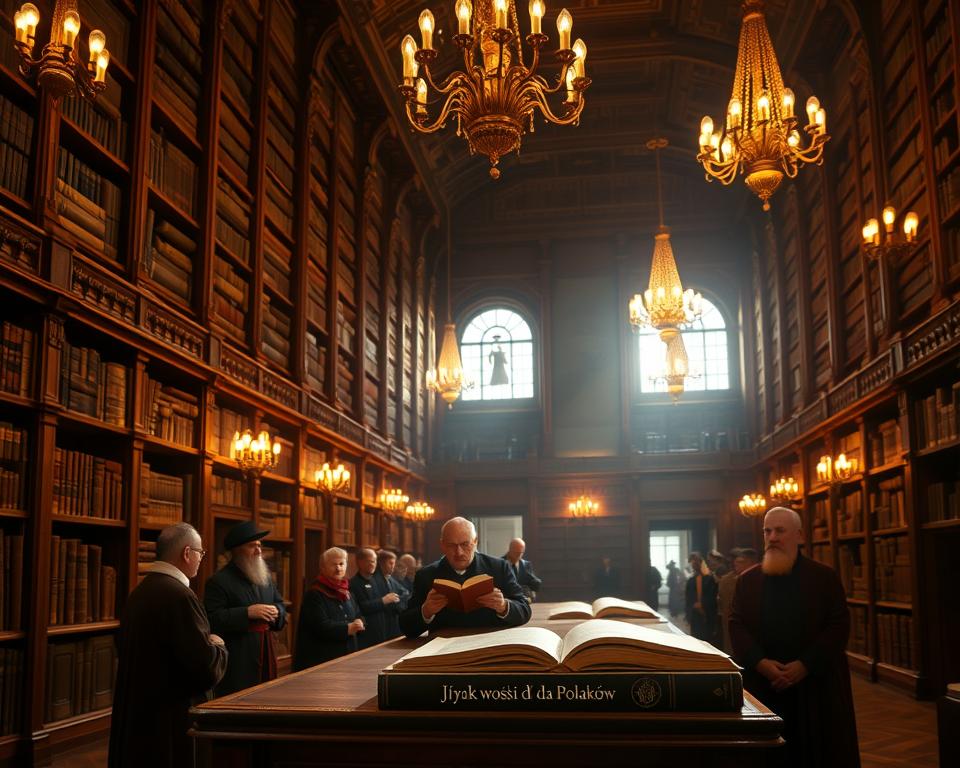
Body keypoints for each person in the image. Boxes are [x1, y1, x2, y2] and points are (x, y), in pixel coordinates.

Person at [730, 507, 860, 768]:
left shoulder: (824, 577)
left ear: (799, 536)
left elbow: (838, 626)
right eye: (767, 531)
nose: (772, 537)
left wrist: (805, 665)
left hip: (814, 687)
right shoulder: (747, 581)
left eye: (780, 531)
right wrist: (761, 663)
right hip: (764, 684)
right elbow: (736, 625)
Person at [109, 523, 227, 768]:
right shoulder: (181, 596)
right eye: (200, 553)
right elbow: (204, 668)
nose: (201, 558)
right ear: (187, 553)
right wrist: (218, 646)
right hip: (172, 720)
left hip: (143, 715)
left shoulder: (140, 592)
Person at [400, 517, 531, 637]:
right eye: (451, 545)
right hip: (444, 650)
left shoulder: (499, 568)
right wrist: (426, 611)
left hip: (490, 646)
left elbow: (525, 610)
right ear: (442, 545)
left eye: (465, 544)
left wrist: (503, 606)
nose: (459, 552)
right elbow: (405, 627)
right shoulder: (425, 575)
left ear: (475, 542)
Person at [204, 520, 286, 696]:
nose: (258, 551)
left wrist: (277, 611)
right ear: (237, 550)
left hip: (267, 651)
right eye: (252, 546)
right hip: (239, 658)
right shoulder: (218, 581)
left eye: (259, 545)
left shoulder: (265, 578)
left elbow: (280, 603)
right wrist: (247, 613)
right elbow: (211, 619)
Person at [294, 547, 365, 671]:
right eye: (333, 564)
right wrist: (348, 628)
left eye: (341, 564)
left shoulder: (347, 591)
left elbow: (358, 614)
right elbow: (320, 626)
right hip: (323, 659)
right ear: (322, 568)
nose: (338, 568)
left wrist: (360, 622)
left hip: (348, 655)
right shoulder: (314, 594)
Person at [350, 548, 401, 647]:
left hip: (383, 631)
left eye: (375, 561)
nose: (373, 564)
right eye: (370, 561)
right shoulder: (354, 583)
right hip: (367, 634)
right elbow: (360, 608)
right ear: (360, 562)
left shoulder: (377, 580)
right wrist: (383, 601)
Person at [717, 547, 759, 654]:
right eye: (736, 561)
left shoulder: (759, 578)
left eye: (741, 562)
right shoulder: (726, 580)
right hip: (730, 623)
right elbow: (722, 602)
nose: (736, 563)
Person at [685, 551, 718, 642]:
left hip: (708, 613)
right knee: (696, 637)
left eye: (697, 562)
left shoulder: (710, 579)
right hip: (695, 614)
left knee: (708, 637)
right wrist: (691, 608)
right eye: (693, 563)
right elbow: (688, 598)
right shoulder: (691, 580)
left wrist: (703, 604)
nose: (695, 564)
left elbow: (713, 595)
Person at [503, 537, 542, 602]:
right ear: (510, 550)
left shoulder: (526, 564)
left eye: (521, 553)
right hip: (507, 600)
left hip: (523, 600)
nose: (518, 555)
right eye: (516, 552)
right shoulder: (500, 563)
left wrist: (535, 584)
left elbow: (532, 582)